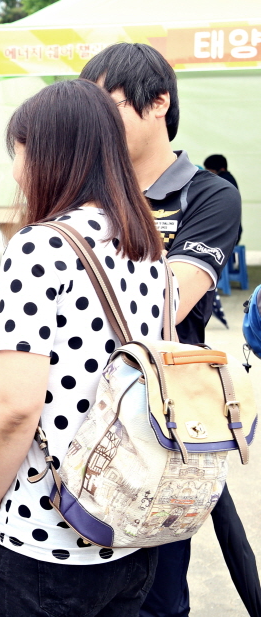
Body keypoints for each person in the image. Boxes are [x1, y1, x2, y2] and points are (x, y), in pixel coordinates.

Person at [0, 79, 167, 616]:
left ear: (50, 155)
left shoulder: (41, 246)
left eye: (19, 152)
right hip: (128, 532)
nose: (15, 171)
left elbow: (16, 407)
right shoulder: (146, 244)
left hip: (45, 537)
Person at [80, 43, 257, 617]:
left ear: (158, 102)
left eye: (108, 107)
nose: (96, 125)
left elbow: (169, 301)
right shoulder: (86, 190)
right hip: (77, 416)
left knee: (155, 596)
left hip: (162, 425)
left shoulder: (208, 195)